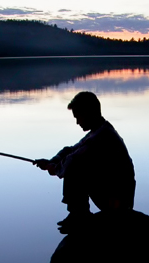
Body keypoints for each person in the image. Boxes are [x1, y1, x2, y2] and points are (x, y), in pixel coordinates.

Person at [34, 92, 135, 234]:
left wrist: (55, 169)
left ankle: (79, 215)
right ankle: (78, 214)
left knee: (75, 166)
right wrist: (52, 161)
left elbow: (73, 160)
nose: (77, 122)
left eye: (78, 117)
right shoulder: (99, 130)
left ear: (88, 112)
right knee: (74, 161)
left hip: (117, 201)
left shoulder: (102, 136)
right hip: (113, 195)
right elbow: (71, 150)